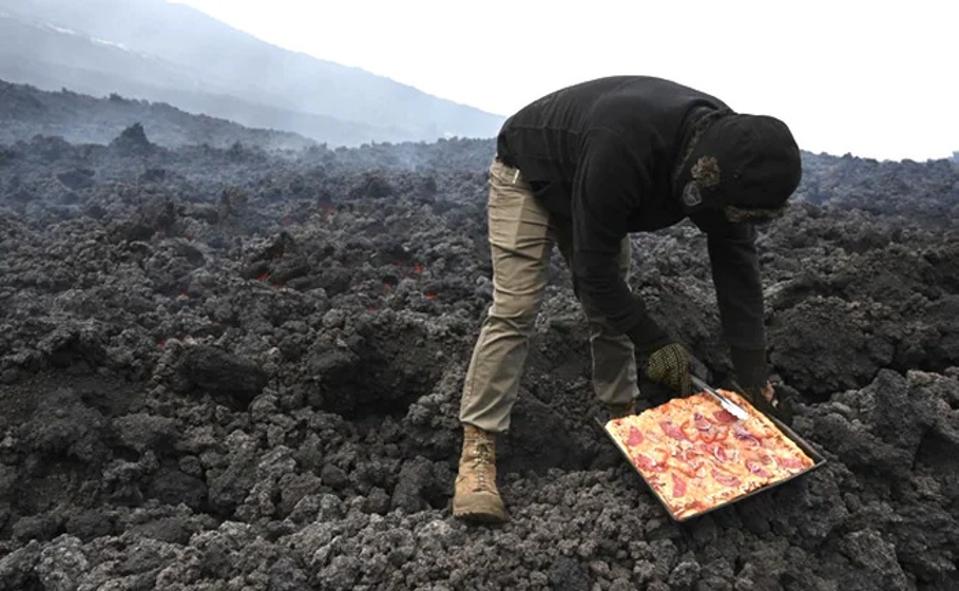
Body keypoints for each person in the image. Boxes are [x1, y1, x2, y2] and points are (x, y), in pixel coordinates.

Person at [452, 76, 802, 523]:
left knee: (611, 314)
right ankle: (477, 452)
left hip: (595, 182)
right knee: (516, 307)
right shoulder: (626, 147)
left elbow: (737, 270)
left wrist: (754, 378)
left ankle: (624, 424)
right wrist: (657, 345)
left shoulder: (737, 159)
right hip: (532, 174)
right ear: (699, 177)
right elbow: (593, 276)